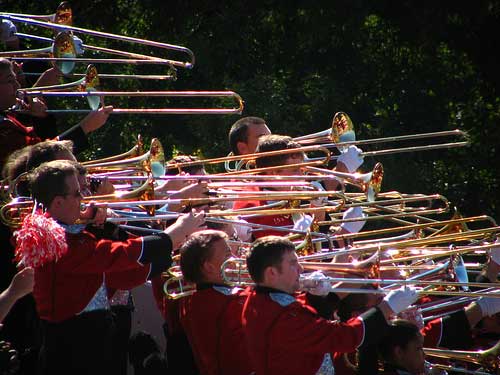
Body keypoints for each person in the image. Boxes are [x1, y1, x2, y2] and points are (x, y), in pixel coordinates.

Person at [16, 159, 204, 374]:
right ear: (58, 203)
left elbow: (116, 273)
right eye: (77, 193)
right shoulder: (59, 244)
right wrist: (172, 235)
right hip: (74, 347)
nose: (84, 199)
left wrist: (99, 225)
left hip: (89, 336)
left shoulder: (67, 233)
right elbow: (116, 255)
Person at [241, 236, 418, 375]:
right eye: (293, 263)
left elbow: (302, 317)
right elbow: (342, 336)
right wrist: (387, 307)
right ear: (272, 273)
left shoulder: (260, 298)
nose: (301, 269)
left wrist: (320, 297)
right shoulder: (283, 317)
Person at [0, 58, 113, 169]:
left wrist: (40, 117)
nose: (18, 86)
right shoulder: (4, 129)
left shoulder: (7, 116)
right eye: (10, 80)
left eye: (15, 79)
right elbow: (38, 160)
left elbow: (41, 141)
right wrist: (85, 128)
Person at [178, 230, 253, 375]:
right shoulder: (209, 304)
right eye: (227, 255)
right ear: (208, 267)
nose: (235, 258)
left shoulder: (215, 295)